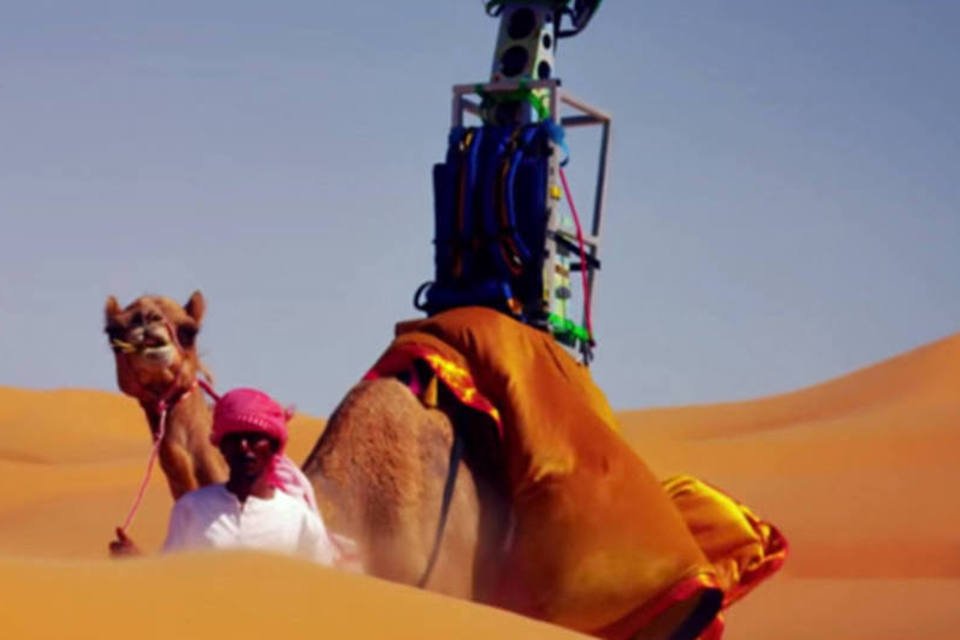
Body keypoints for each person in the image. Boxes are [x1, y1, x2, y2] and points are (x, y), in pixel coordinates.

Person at [110, 387, 341, 566]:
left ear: (273, 445)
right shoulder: (192, 508)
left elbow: (323, 586)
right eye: (234, 438)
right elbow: (170, 576)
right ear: (221, 447)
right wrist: (138, 561)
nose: (243, 447)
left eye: (253, 438)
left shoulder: (297, 516)